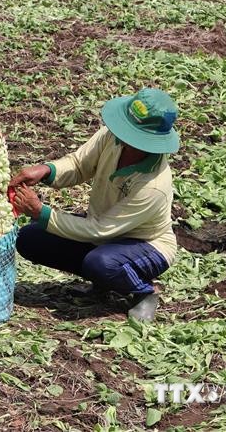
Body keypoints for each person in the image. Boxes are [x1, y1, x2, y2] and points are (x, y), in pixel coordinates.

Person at [10, 87, 179, 321]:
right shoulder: (112, 137)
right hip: (104, 232)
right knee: (30, 238)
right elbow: (80, 164)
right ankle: (104, 281)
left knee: (100, 262)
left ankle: (143, 292)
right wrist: (46, 170)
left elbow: (99, 230)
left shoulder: (154, 185)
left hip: (146, 244)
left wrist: (41, 212)